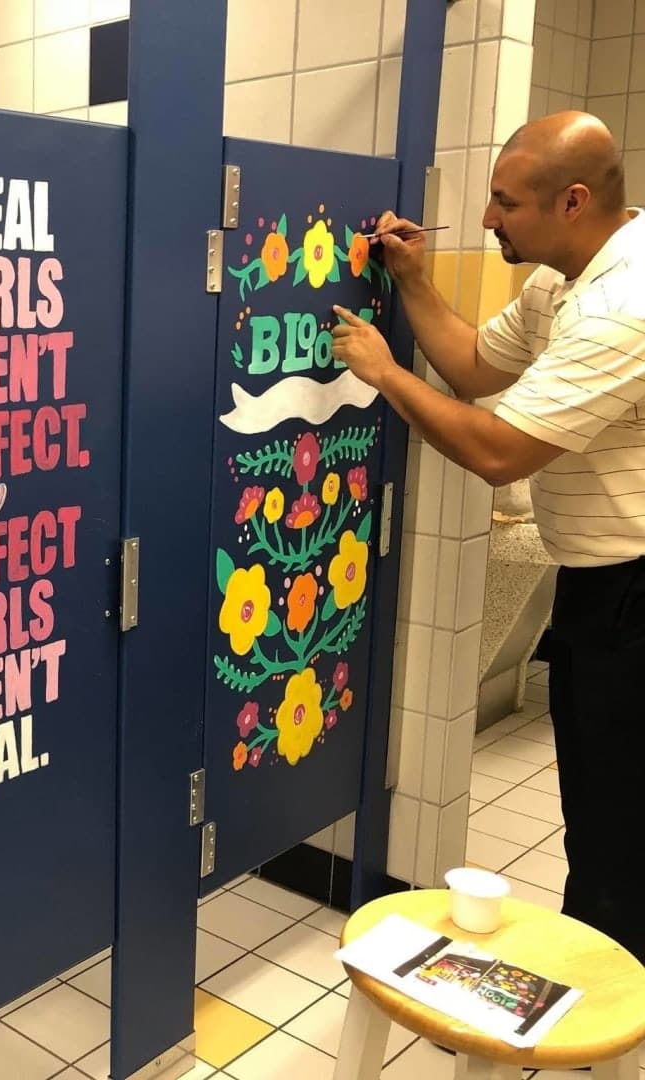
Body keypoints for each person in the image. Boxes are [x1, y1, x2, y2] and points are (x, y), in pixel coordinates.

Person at [330, 111, 645, 965]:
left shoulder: (625, 305)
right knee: (602, 807)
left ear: (572, 201)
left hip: (634, 591)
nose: (486, 220)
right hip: (597, 581)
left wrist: (386, 374)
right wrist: (411, 281)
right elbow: (475, 366)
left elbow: (500, 453)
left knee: (619, 824)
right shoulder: (561, 277)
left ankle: (608, 1017)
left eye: (504, 203)